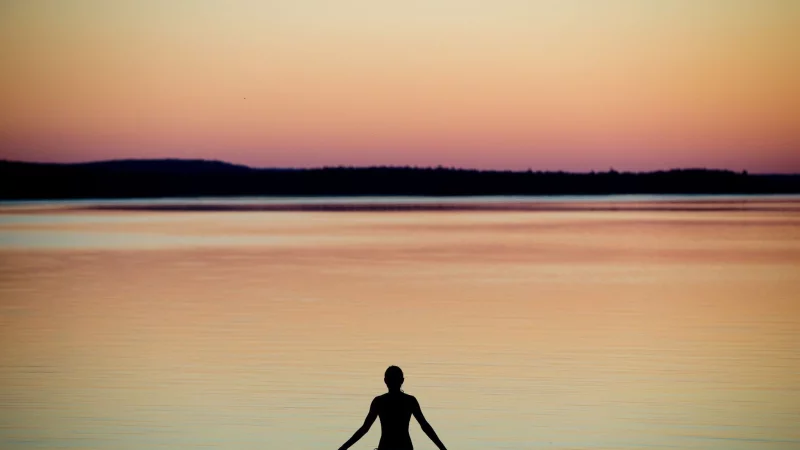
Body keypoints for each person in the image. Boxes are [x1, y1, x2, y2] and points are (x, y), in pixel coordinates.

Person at [337, 366, 448, 450]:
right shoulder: (410, 401)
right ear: (402, 381)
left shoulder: (379, 401)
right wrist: (442, 448)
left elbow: (364, 429)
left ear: (385, 381)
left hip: (385, 446)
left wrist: (343, 448)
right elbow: (425, 426)